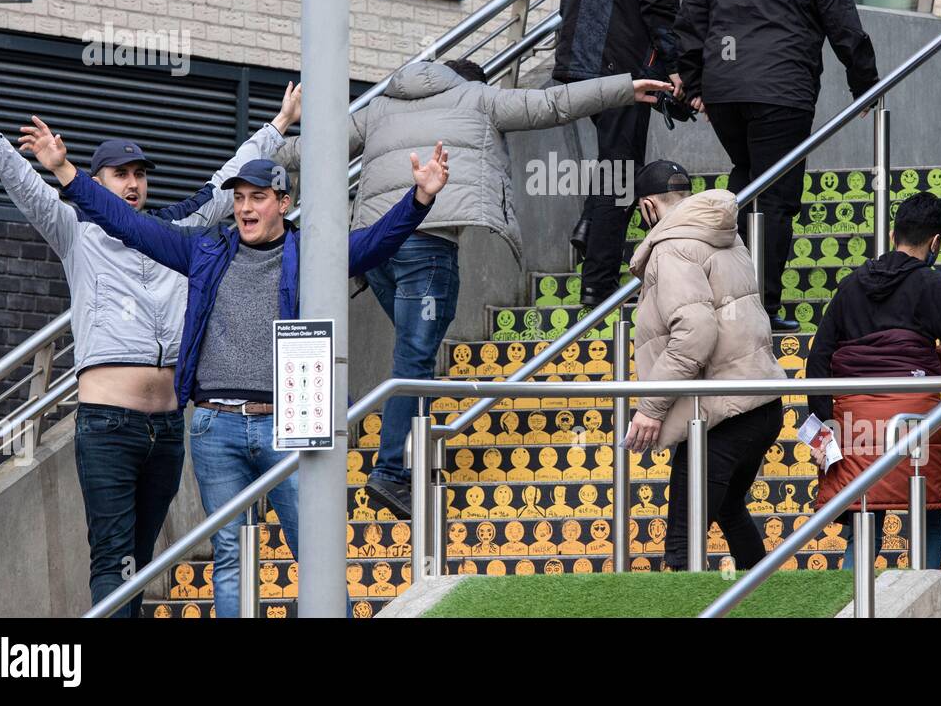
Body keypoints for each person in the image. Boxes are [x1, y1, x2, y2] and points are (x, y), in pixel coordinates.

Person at [21, 115, 449, 617]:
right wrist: (67, 173)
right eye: (239, 198)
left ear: (283, 204)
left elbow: (374, 243)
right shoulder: (204, 250)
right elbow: (128, 224)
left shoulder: (308, 253)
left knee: (315, 550)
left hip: (286, 426)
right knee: (229, 556)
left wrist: (419, 200)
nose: (245, 208)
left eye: (257, 198)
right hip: (214, 428)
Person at [0, 83, 301, 617]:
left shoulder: (177, 229)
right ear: (97, 181)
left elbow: (228, 177)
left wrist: (277, 126)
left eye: (140, 175)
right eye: (121, 174)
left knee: (142, 559)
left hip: (167, 427)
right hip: (107, 423)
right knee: (114, 558)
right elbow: (30, 189)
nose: (133, 184)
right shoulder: (76, 228)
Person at [274, 58, 671, 519]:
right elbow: (552, 104)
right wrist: (624, 87)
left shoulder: (380, 108)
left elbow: (313, 150)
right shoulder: (474, 97)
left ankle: (412, 459)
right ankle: (390, 471)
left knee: (415, 356)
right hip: (427, 243)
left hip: (374, 248)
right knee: (413, 360)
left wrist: (271, 133)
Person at [675, 0, 878, 330]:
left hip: (726, 92)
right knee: (776, 196)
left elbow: (689, 24)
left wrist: (696, 84)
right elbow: (844, 26)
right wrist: (865, 84)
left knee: (747, 183)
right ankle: (759, 306)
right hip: (781, 93)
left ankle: (727, 295)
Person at [805, 191, 941, 569]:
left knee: (863, 521)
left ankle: (846, 606)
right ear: (936, 241)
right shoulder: (931, 285)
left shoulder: (851, 285)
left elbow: (818, 362)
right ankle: (921, 594)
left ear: (894, 235)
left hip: (855, 423)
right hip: (914, 419)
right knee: (928, 510)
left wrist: (824, 432)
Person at [619, 160, 783, 571]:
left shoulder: (672, 247)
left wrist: (651, 407)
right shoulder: (725, 234)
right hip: (759, 402)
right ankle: (764, 597)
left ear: (647, 208)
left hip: (720, 414)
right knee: (727, 509)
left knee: (682, 545)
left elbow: (694, 333)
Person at [553, 0, 695, 306]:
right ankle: (598, 287)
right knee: (619, 171)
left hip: (580, 63)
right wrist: (672, 62)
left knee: (613, 162)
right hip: (623, 67)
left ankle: (589, 229)